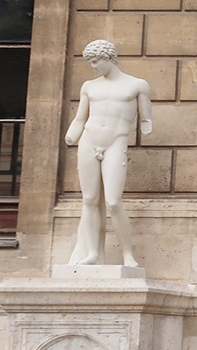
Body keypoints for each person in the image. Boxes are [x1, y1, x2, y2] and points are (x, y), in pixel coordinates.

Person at [64, 40, 152, 267]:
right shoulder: (89, 86)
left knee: (113, 201)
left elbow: (146, 117)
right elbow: (80, 118)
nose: (93, 66)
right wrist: (71, 135)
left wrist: (146, 125)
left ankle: (127, 254)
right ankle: (92, 253)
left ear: (109, 58)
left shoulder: (137, 85)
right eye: (90, 62)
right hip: (88, 141)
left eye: (95, 61)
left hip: (116, 142)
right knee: (90, 199)